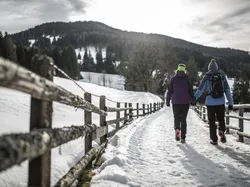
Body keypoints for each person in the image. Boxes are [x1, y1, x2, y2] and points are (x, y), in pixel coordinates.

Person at [194, 59, 233, 145]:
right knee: (221, 119)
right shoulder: (222, 76)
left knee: (211, 122)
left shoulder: (207, 77)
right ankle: (222, 131)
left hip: (210, 103)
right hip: (220, 102)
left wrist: (194, 98)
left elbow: (200, 90)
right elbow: (227, 90)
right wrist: (230, 103)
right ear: (217, 67)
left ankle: (214, 140)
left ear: (209, 68)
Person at [166, 64, 194, 143]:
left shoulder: (173, 79)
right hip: (185, 102)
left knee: (176, 118)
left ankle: (177, 129)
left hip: (176, 102)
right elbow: (191, 91)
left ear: (177, 70)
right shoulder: (187, 79)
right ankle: (183, 138)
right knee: (183, 120)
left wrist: (167, 101)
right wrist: (193, 99)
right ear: (184, 70)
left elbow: (170, 91)